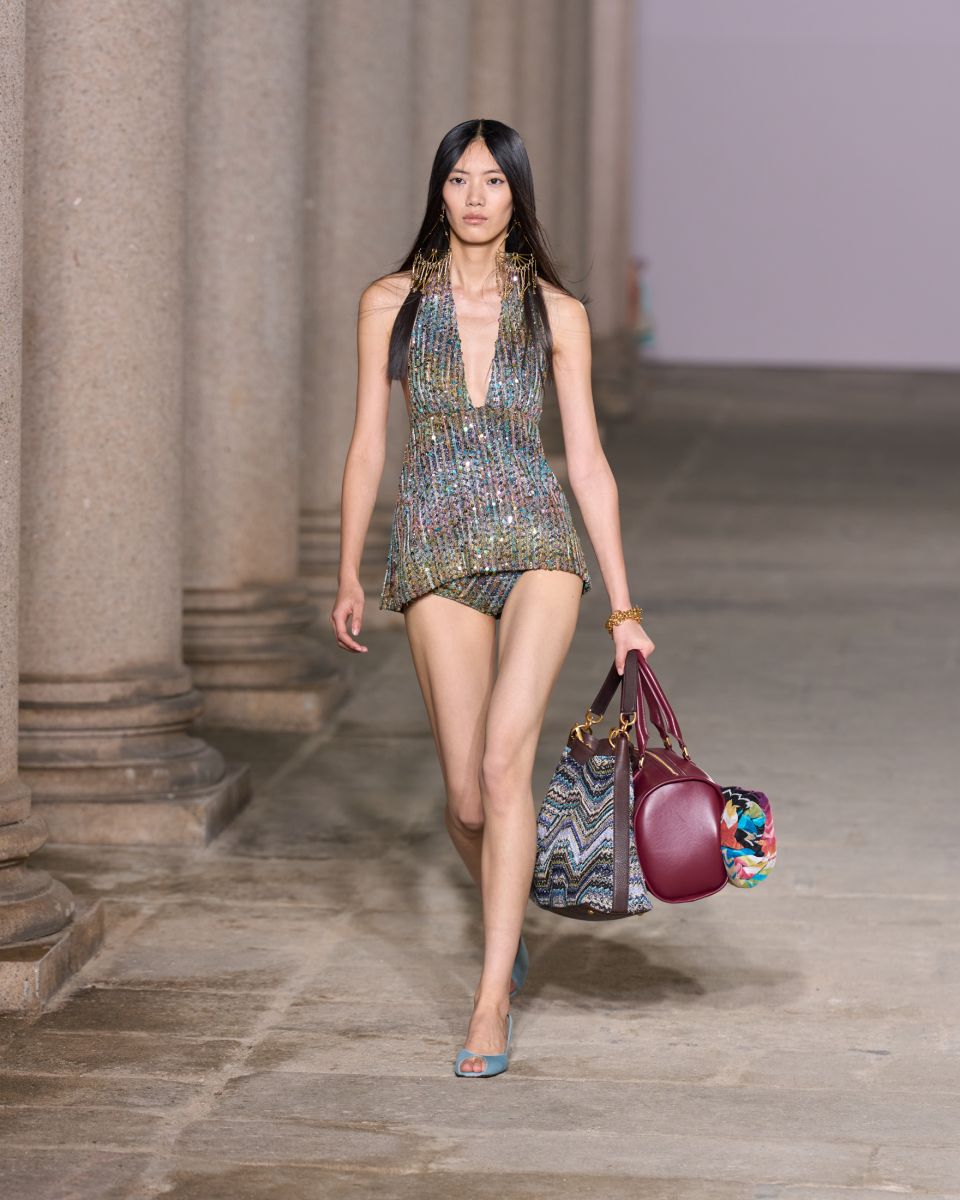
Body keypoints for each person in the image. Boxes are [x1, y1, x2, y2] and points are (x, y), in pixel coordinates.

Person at [330, 119, 654, 1077]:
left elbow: (587, 462)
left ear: (518, 194)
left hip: (537, 541)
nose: (476, 197)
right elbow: (367, 445)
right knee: (468, 800)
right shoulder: (389, 302)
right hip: (434, 547)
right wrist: (346, 569)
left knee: (507, 760)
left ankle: (490, 998)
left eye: (494, 181)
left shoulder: (556, 312)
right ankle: (505, 911)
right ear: (439, 192)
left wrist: (624, 610)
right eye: (460, 180)